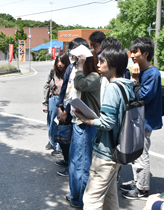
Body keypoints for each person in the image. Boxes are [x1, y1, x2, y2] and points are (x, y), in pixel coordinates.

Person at [74, 45, 134, 209]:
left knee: (91, 200)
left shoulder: (112, 88)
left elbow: (107, 123)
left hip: (106, 154)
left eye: (102, 61)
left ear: (113, 64)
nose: (98, 64)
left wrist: (86, 119)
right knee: (110, 196)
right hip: (119, 150)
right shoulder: (127, 85)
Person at [58, 39, 101, 208]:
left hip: (87, 125)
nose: (76, 63)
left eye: (79, 60)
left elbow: (79, 84)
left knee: (82, 163)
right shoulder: (88, 75)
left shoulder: (94, 77)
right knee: (75, 162)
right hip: (79, 122)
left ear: (87, 62)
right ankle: (75, 194)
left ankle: (79, 199)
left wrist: (80, 66)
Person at [120, 37, 163, 200]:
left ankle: (143, 190)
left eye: (135, 52)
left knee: (141, 154)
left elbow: (142, 97)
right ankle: (138, 182)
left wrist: (135, 81)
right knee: (135, 153)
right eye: (131, 51)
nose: (132, 55)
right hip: (137, 119)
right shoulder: (144, 72)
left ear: (146, 53)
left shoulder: (152, 73)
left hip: (145, 121)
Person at [55, 38, 90, 170]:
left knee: (72, 140)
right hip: (64, 106)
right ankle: (67, 160)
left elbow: (76, 92)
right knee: (63, 137)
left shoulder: (84, 69)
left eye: (73, 50)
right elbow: (65, 87)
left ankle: (72, 167)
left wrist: (66, 110)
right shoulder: (71, 66)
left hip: (75, 108)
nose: (71, 53)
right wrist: (59, 107)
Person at [42, 53, 71, 156]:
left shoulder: (70, 72)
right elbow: (46, 86)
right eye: (58, 61)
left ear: (66, 62)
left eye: (62, 62)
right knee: (51, 122)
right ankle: (52, 141)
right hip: (53, 99)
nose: (59, 64)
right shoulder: (53, 72)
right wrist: (45, 104)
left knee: (61, 123)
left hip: (65, 100)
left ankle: (59, 147)